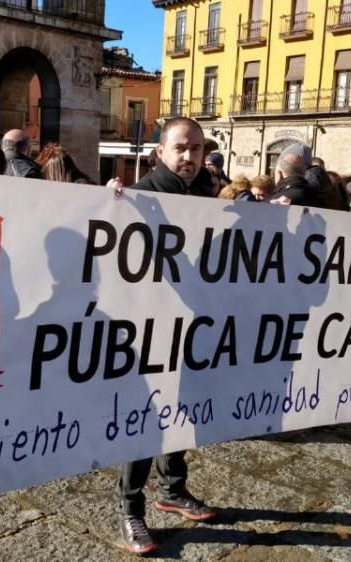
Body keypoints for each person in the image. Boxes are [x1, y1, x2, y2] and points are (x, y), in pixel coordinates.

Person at [117, 117, 216, 556]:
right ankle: (130, 508)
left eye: (196, 148)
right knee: (144, 418)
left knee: (180, 412)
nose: (189, 156)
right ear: (161, 152)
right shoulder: (140, 196)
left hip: (188, 325)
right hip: (148, 328)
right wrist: (109, 203)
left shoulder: (204, 192)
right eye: (180, 148)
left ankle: (173, 489)